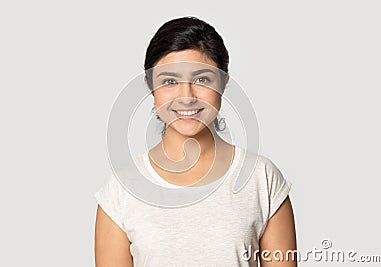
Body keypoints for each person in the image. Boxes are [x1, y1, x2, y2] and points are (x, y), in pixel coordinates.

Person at [94, 16, 297, 267]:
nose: (187, 97)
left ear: (223, 82)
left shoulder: (262, 179)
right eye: (169, 81)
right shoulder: (120, 191)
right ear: (150, 85)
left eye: (202, 80)